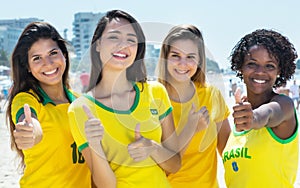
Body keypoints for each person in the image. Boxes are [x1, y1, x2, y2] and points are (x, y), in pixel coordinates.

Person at [68, 10, 181, 188]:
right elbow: (106, 186)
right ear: (97, 45)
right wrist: (94, 144)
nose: (123, 45)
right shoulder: (80, 109)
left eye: (131, 39)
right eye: (114, 37)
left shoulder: (157, 92)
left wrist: (152, 147)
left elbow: (175, 164)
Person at [6, 22, 93, 187]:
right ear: (29, 67)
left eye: (53, 53)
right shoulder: (26, 99)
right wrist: (31, 131)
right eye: (37, 58)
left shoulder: (82, 103)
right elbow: (29, 121)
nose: (48, 63)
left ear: (64, 55)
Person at [156, 24, 231, 187]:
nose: (183, 64)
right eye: (176, 55)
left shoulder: (212, 96)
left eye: (190, 57)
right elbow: (162, 168)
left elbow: (228, 152)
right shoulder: (151, 99)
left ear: (199, 60)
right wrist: (190, 128)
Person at [223, 29, 298, 187]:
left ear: (279, 71)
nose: (260, 72)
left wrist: (254, 118)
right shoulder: (240, 114)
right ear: (240, 68)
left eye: (269, 66)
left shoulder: (284, 105)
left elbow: (269, 113)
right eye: (252, 64)